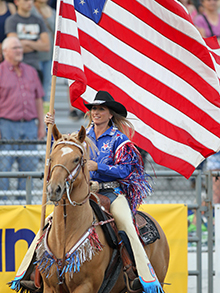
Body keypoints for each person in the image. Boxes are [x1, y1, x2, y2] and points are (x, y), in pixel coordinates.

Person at [43, 91, 163, 293]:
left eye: (101, 109)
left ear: (110, 114)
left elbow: (126, 170)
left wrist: (98, 167)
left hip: (111, 194)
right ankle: (31, 271)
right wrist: (51, 128)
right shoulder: (81, 136)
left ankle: (138, 273)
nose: (95, 113)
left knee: (126, 224)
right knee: (49, 224)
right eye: (93, 109)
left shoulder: (120, 139)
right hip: (84, 194)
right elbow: (63, 152)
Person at [0, 36, 45, 191]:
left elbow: (39, 99)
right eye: (15, 48)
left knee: (29, 168)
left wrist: (41, 125)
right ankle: (3, 205)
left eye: (20, 47)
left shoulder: (31, 71)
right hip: (6, 125)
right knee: (3, 168)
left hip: (30, 126)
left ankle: (24, 204)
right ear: (5, 51)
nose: (20, 51)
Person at [4, 0, 50, 81]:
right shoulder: (11, 20)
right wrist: (37, 44)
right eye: (26, 0)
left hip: (36, 66)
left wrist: (26, 42)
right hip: (17, 67)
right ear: (17, 2)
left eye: (31, 0)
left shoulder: (38, 20)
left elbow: (46, 46)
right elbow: (13, 48)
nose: (29, 3)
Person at [31, 0, 56, 102]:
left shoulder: (53, 11)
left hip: (49, 54)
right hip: (34, 54)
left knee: (45, 85)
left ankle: (42, 113)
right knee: (34, 84)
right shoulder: (31, 8)